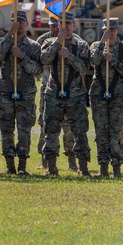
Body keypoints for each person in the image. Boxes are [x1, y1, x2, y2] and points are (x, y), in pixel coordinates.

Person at [39, 11, 92, 176]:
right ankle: (51, 167)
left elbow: (84, 68)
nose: (66, 27)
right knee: (51, 130)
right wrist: (57, 44)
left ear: (73, 25)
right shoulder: (49, 42)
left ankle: (82, 166)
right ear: (58, 26)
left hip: (75, 95)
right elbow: (44, 59)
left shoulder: (81, 45)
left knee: (79, 131)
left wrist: (69, 56)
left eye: (69, 24)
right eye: (62, 24)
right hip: (54, 94)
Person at [0, 10, 43, 175]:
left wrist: (22, 57)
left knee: (24, 131)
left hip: (25, 94)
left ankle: (22, 166)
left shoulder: (34, 46)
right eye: (15, 21)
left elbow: (37, 70)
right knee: (6, 130)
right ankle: (9, 165)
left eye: (21, 21)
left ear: (27, 24)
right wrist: (9, 35)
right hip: (5, 93)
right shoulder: (3, 41)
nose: (18, 24)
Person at [88, 17, 123, 177]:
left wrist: (113, 60)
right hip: (99, 94)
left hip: (120, 95)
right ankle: (103, 167)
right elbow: (93, 62)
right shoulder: (96, 46)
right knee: (101, 131)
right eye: (108, 30)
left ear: (118, 30)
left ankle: (117, 167)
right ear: (103, 30)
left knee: (117, 132)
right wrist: (102, 43)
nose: (111, 32)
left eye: (113, 29)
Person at [34, 18, 76, 170]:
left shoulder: (76, 41)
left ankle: (72, 160)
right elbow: (41, 62)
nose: (55, 30)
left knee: (69, 126)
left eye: (56, 26)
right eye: (52, 26)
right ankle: (45, 159)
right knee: (45, 123)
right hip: (48, 87)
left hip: (69, 89)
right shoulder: (43, 40)